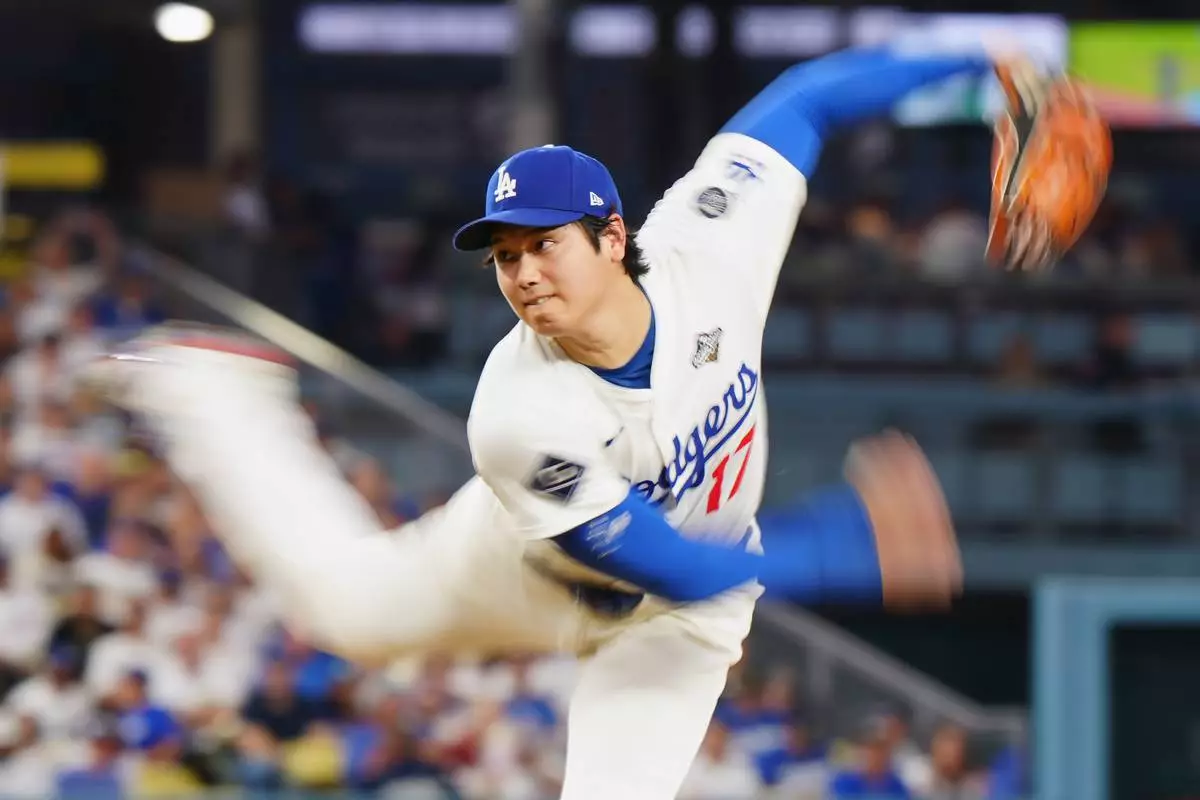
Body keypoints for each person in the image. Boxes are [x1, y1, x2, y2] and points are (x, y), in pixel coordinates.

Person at [92, 44, 1038, 800]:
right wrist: (827, 556)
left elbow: (807, 97)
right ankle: (212, 391)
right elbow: (660, 557)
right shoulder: (519, 411)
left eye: (543, 244)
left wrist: (969, 53)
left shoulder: (708, 241)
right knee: (343, 609)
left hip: (678, 622)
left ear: (614, 238)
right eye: (503, 257)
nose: (524, 274)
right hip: (527, 570)